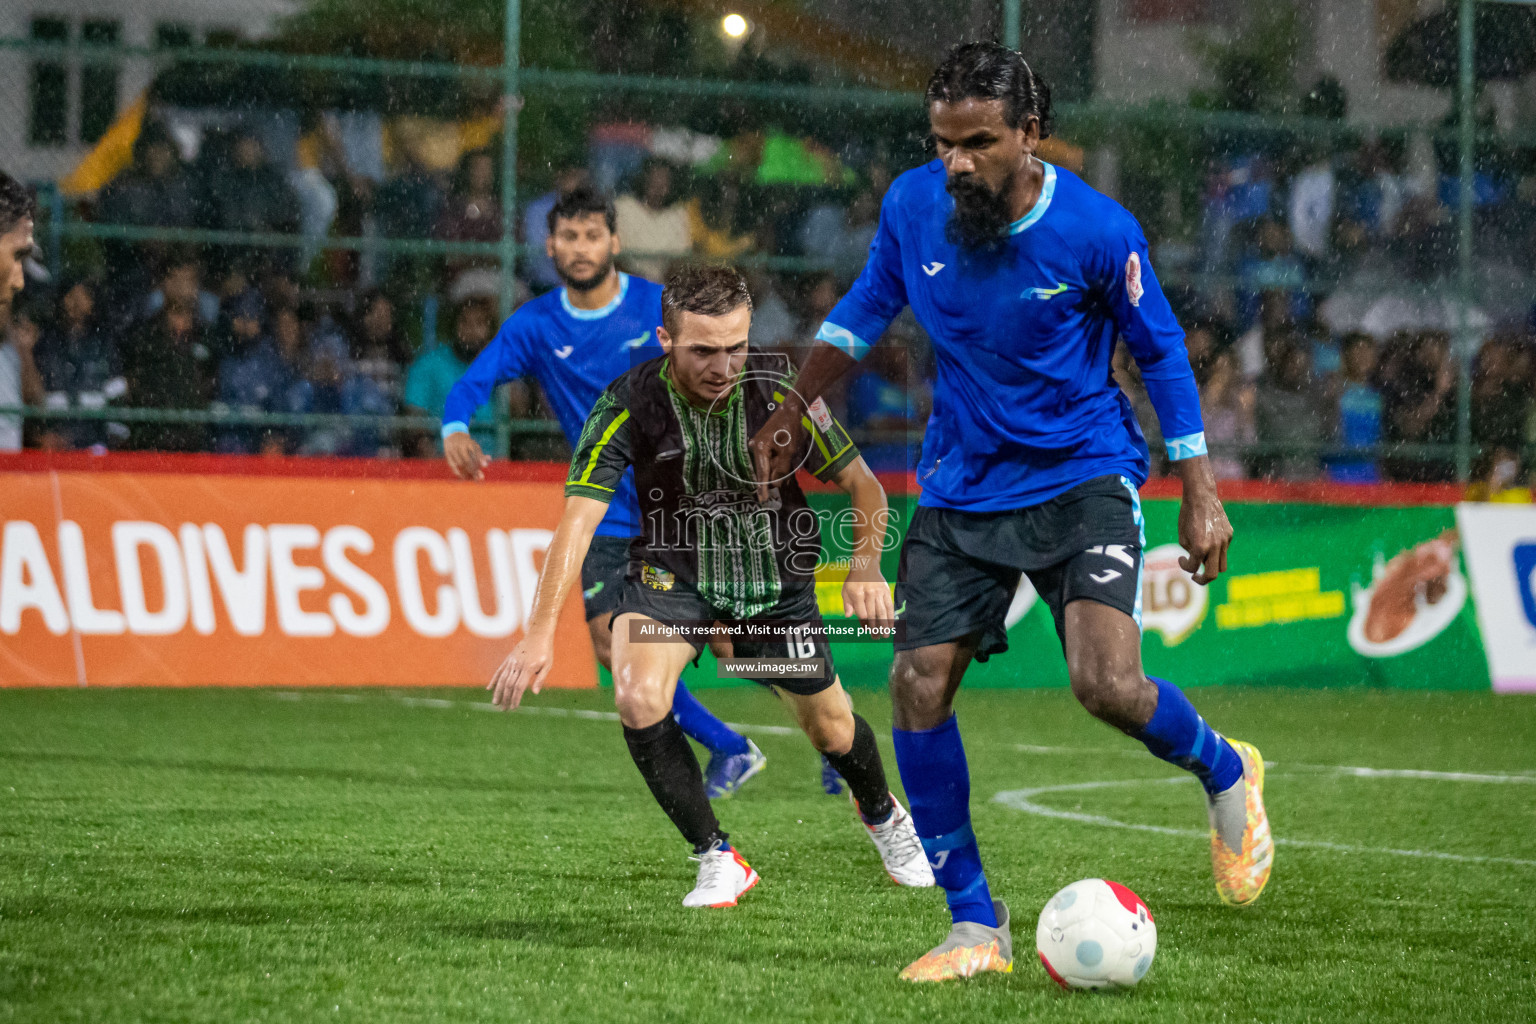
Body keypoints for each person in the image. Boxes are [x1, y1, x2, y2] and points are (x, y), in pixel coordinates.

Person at [749, 42, 1273, 981]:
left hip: (1083, 476)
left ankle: (1226, 769)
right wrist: (791, 411)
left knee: (1105, 685)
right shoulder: (915, 207)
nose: (957, 163)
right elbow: (865, 309)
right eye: (943, 143)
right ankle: (974, 929)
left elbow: (1159, 355)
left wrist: (1201, 488)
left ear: (1030, 135)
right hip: (960, 485)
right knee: (916, 682)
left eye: (979, 143)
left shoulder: (1099, 230)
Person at [487, 263, 933, 907]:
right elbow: (576, 525)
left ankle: (885, 817)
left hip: (774, 589)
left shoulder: (784, 394)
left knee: (832, 731)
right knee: (638, 695)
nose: (724, 366)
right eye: (703, 350)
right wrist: (537, 633)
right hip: (674, 579)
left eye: (737, 347)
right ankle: (717, 857)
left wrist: (866, 567)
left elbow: (864, 486)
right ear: (665, 340)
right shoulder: (626, 403)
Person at [439, 187, 765, 799]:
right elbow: (471, 384)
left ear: (614, 242)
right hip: (608, 510)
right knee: (611, 644)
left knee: (729, 640)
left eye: (592, 236)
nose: (580, 248)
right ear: (550, 246)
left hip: (682, 502)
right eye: (569, 237)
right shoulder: (535, 324)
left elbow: (722, 373)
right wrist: (455, 426)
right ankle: (731, 747)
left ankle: (830, 724)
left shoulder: (654, 308)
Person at [614, 158, 693, 281]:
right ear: (644, 180)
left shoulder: (678, 214)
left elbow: (679, 260)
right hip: (626, 286)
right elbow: (614, 257)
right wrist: (639, 285)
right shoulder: (623, 207)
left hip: (662, 289)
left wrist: (658, 289)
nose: (658, 186)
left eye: (663, 181)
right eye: (654, 180)